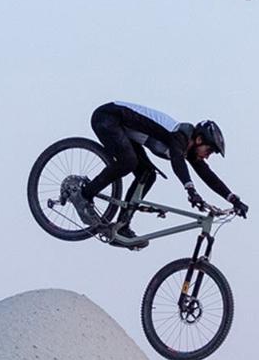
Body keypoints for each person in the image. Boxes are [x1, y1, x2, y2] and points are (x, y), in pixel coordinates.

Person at [67, 101, 249, 249]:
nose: (207, 156)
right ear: (199, 139)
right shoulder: (180, 136)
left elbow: (208, 176)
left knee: (147, 174)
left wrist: (233, 199)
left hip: (124, 129)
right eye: (209, 150)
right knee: (128, 161)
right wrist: (190, 189)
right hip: (107, 117)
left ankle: (121, 227)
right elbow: (177, 160)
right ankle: (83, 195)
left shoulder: (190, 149)